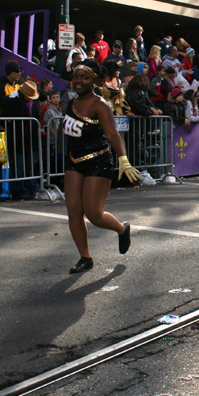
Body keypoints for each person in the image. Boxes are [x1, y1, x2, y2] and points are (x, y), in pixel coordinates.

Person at [63, 60, 140, 274]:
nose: (78, 81)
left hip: (99, 161)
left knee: (94, 214)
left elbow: (112, 134)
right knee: (74, 211)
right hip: (74, 161)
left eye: (84, 77)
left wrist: (123, 159)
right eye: (76, 77)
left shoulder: (101, 105)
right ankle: (85, 257)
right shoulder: (71, 103)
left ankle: (121, 229)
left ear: (95, 81)